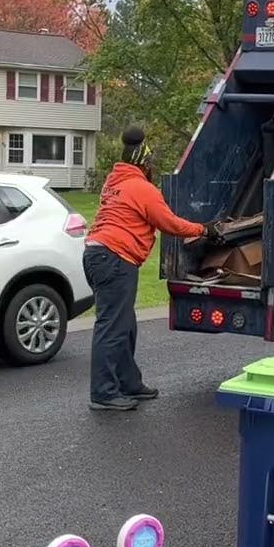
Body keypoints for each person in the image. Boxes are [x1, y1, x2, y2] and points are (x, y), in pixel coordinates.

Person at [84, 127, 216, 411]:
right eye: (150, 162)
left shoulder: (114, 182)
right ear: (143, 162)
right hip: (115, 258)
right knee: (111, 327)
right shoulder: (142, 188)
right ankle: (103, 393)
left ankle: (129, 383)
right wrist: (204, 229)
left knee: (124, 324)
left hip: (97, 254)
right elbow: (169, 223)